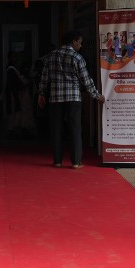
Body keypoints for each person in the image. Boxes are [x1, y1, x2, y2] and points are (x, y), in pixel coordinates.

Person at [38, 29, 104, 169]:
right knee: (74, 128)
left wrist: (41, 94)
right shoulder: (77, 57)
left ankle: (57, 161)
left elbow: (44, 77)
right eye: (79, 42)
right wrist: (96, 95)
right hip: (73, 97)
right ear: (73, 41)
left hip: (55, 98)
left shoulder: (51, 56)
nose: (80, 45)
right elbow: (85, 79)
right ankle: (75, 161)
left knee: (56, 129)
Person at [4, 52, 34, 138]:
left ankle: (14, 129)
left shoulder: (12, 70)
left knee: (15, 112)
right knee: (14, 112)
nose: (15, 59)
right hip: (13, 94)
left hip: (15, 94)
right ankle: (12, 130)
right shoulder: (11, 70)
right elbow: (13, 84)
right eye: (13, 57)